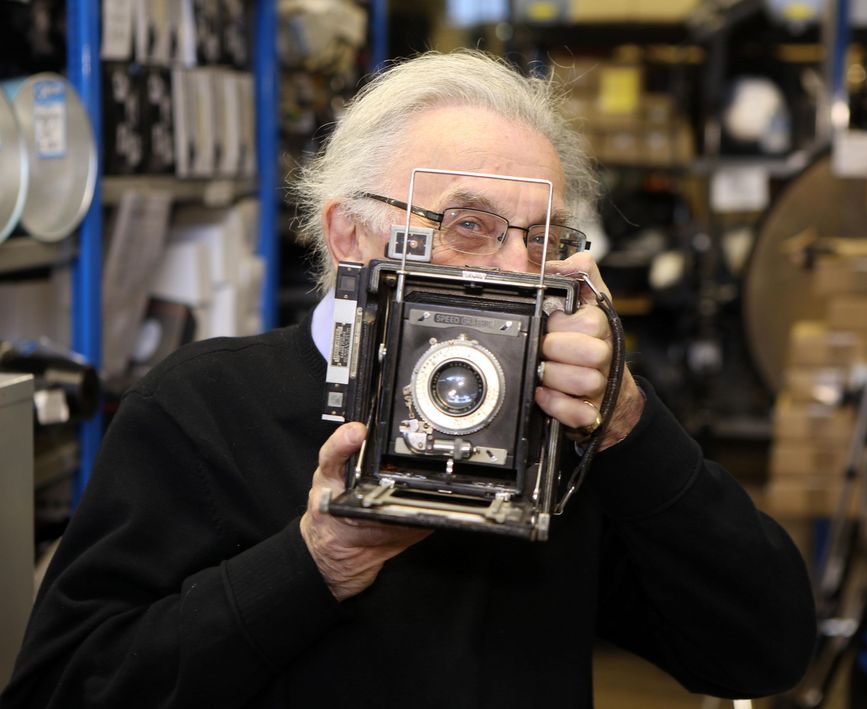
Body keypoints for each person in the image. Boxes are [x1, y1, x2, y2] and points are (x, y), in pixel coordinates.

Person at [1, 50, 816, 708]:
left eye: (539, 238)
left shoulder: (559, 428)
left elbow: (764, 648)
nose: (509, 269)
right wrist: (313, 560)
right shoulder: (202, 408)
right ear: (351, 236)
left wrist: (628, 420)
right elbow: (67, 684)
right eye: (468, 225)